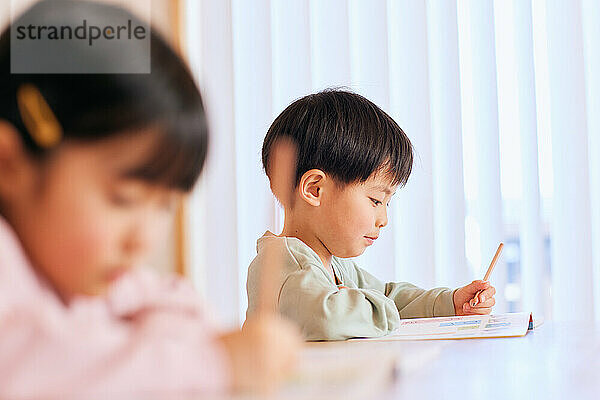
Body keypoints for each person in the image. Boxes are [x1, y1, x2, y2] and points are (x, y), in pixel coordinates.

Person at [0, 1, 299, 397]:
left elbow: (183, 309)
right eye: (124, 199)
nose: (144, 239)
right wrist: (214, 363)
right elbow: (33, 373)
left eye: (164, 205)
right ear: (8, 165)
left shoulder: (86, 275)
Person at [246, 90, 496, 341]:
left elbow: (387, 296)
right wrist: (382, 307)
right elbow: (331, 319)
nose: (383, 219)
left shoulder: (334, 264)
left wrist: (448, 303)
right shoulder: (284, 262)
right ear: (315, 189)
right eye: (376, 200)